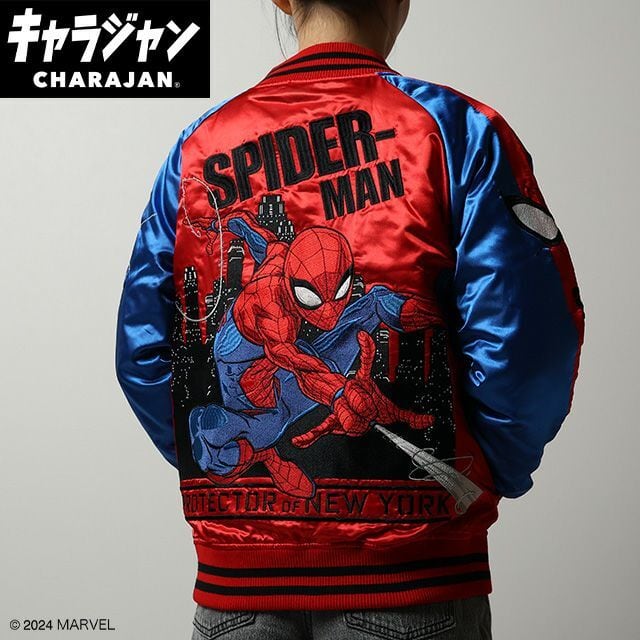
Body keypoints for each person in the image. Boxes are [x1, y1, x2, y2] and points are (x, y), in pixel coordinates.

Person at [115, 1, 585, 638]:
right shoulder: (455, 130)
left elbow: (143, 353)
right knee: (284, 393)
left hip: (240, 587)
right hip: (409, 567)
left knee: (358, 330)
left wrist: (230, 502)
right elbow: (527, 345)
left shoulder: (198, 148)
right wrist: (479, 473)